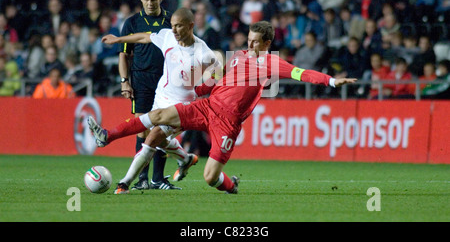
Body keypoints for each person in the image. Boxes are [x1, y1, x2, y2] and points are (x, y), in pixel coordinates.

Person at [89, 21, 357, 194]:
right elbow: (223, 81)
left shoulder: (273, 63)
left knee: (210, 177)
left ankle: (231, 187)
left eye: (255, 42)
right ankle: (108, 136)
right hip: (206, 107)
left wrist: (332, 80)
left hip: (226, 124)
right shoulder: (239, 56)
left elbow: (302, 73)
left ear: (267, 44)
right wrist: (200, 89)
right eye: (248, 40)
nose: (249, 45)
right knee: (157, 118)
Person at [92, 7, 219, 194]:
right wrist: (119, 39)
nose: (174, 30)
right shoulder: (168, 36)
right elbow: (143, 37)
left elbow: (218, 73)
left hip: (182, 107)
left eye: (179, 26)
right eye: (173, 25)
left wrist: (203, 89)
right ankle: (185, 159)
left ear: (191, 26)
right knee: (159, 140)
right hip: (161, 98)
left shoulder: (202, 52)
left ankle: (124, 182)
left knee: (151, 137)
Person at [118, 0, 176, 191]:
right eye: (146, 0)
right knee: (142, 129)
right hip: (141, 80)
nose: (150, 3)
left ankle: (158, 179)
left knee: (163, 130)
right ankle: (142, 179)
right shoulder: (132, 23)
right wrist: (125, 82)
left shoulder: (172, 20)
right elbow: (124, 55)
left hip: (166, 82)